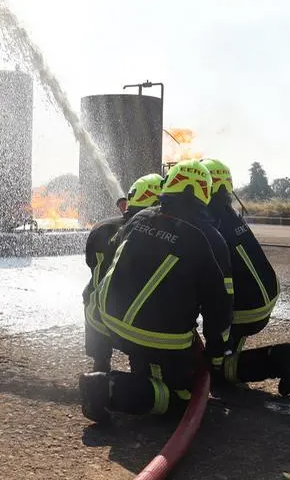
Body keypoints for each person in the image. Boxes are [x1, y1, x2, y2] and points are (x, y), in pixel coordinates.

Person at [79, 159, 234, 422]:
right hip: (156, 338)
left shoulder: (140, 217)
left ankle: (109, 366)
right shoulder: (208, 237)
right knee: (180, 399)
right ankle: (105, 388)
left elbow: (111, 260)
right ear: (202, 194)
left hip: (107, 324)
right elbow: (218, 303)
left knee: (145, 359)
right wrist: (215, 350)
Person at [201, 158, 289, 395]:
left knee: (218, 369)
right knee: (227, 351)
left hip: (247, 307)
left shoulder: (211, 222)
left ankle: (283, 359)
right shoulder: (227, 213)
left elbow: (219, 290)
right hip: (266, 293)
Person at [83, 174, 163, 372]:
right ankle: (140, 365)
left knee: (90, 293)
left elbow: (91, 263)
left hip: (100, 312)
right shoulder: (159, 233)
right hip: (139, 316)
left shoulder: (102, 228)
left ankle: (100, 362)